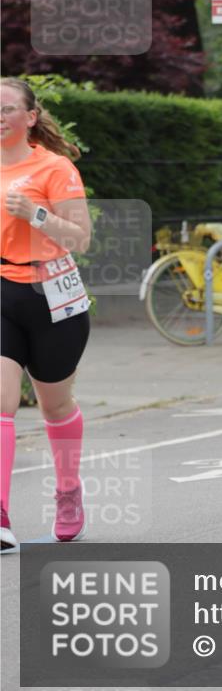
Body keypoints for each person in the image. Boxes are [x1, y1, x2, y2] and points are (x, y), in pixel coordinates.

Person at [1, 78, 92, 552]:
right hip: (1, 290)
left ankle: (68, 491)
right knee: (0, 403)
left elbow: (80, 238)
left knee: (55, 405)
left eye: (7, 107)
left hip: (51, 292)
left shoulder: (54, 168)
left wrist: (35, 213)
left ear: (30, 117)